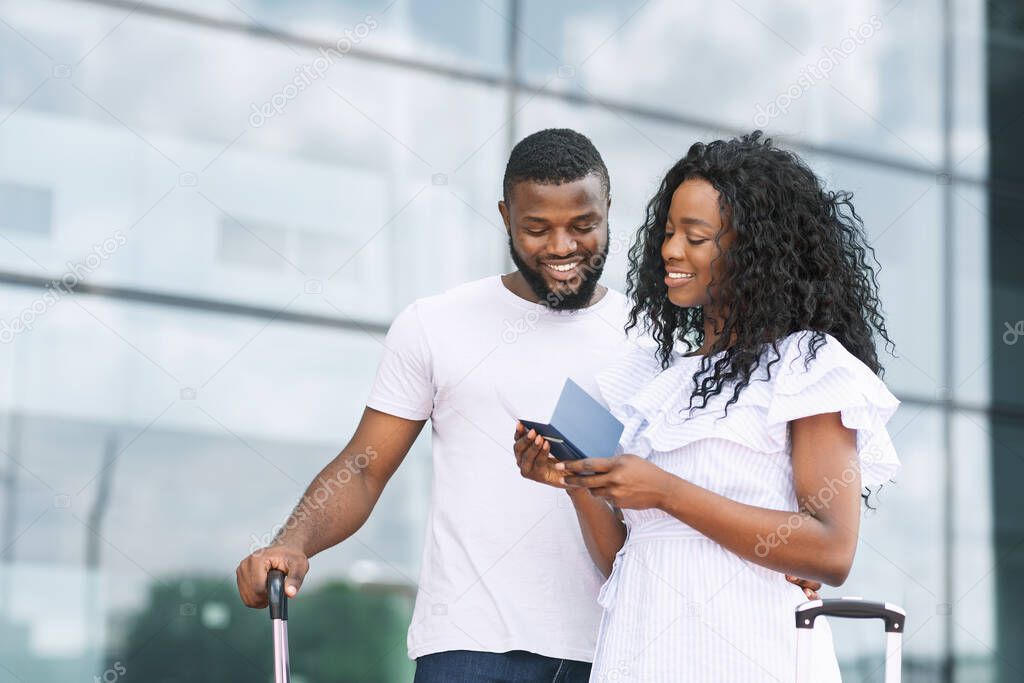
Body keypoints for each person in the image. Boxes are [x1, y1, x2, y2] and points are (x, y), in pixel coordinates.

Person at [236, 128, 821, 682]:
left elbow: (695, 490)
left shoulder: (657, 343)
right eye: (537, 227)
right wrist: (294, 540)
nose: (563, 247)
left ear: (610, 210)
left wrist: (779, 559)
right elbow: (365, 466)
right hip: (473, 647)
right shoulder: (436, 325)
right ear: (504, 217)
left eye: (583, 224)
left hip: (622, 647)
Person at [514, 131, 902, 681]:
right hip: (639, 653)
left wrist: (665, 491)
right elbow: (626, 559)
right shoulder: (650, 374)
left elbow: (831, 550)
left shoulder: (807, 368)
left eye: (695, 237)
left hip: (751, 654)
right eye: (669, 231)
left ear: (752, 249)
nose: (671, 250)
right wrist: (578, 481)